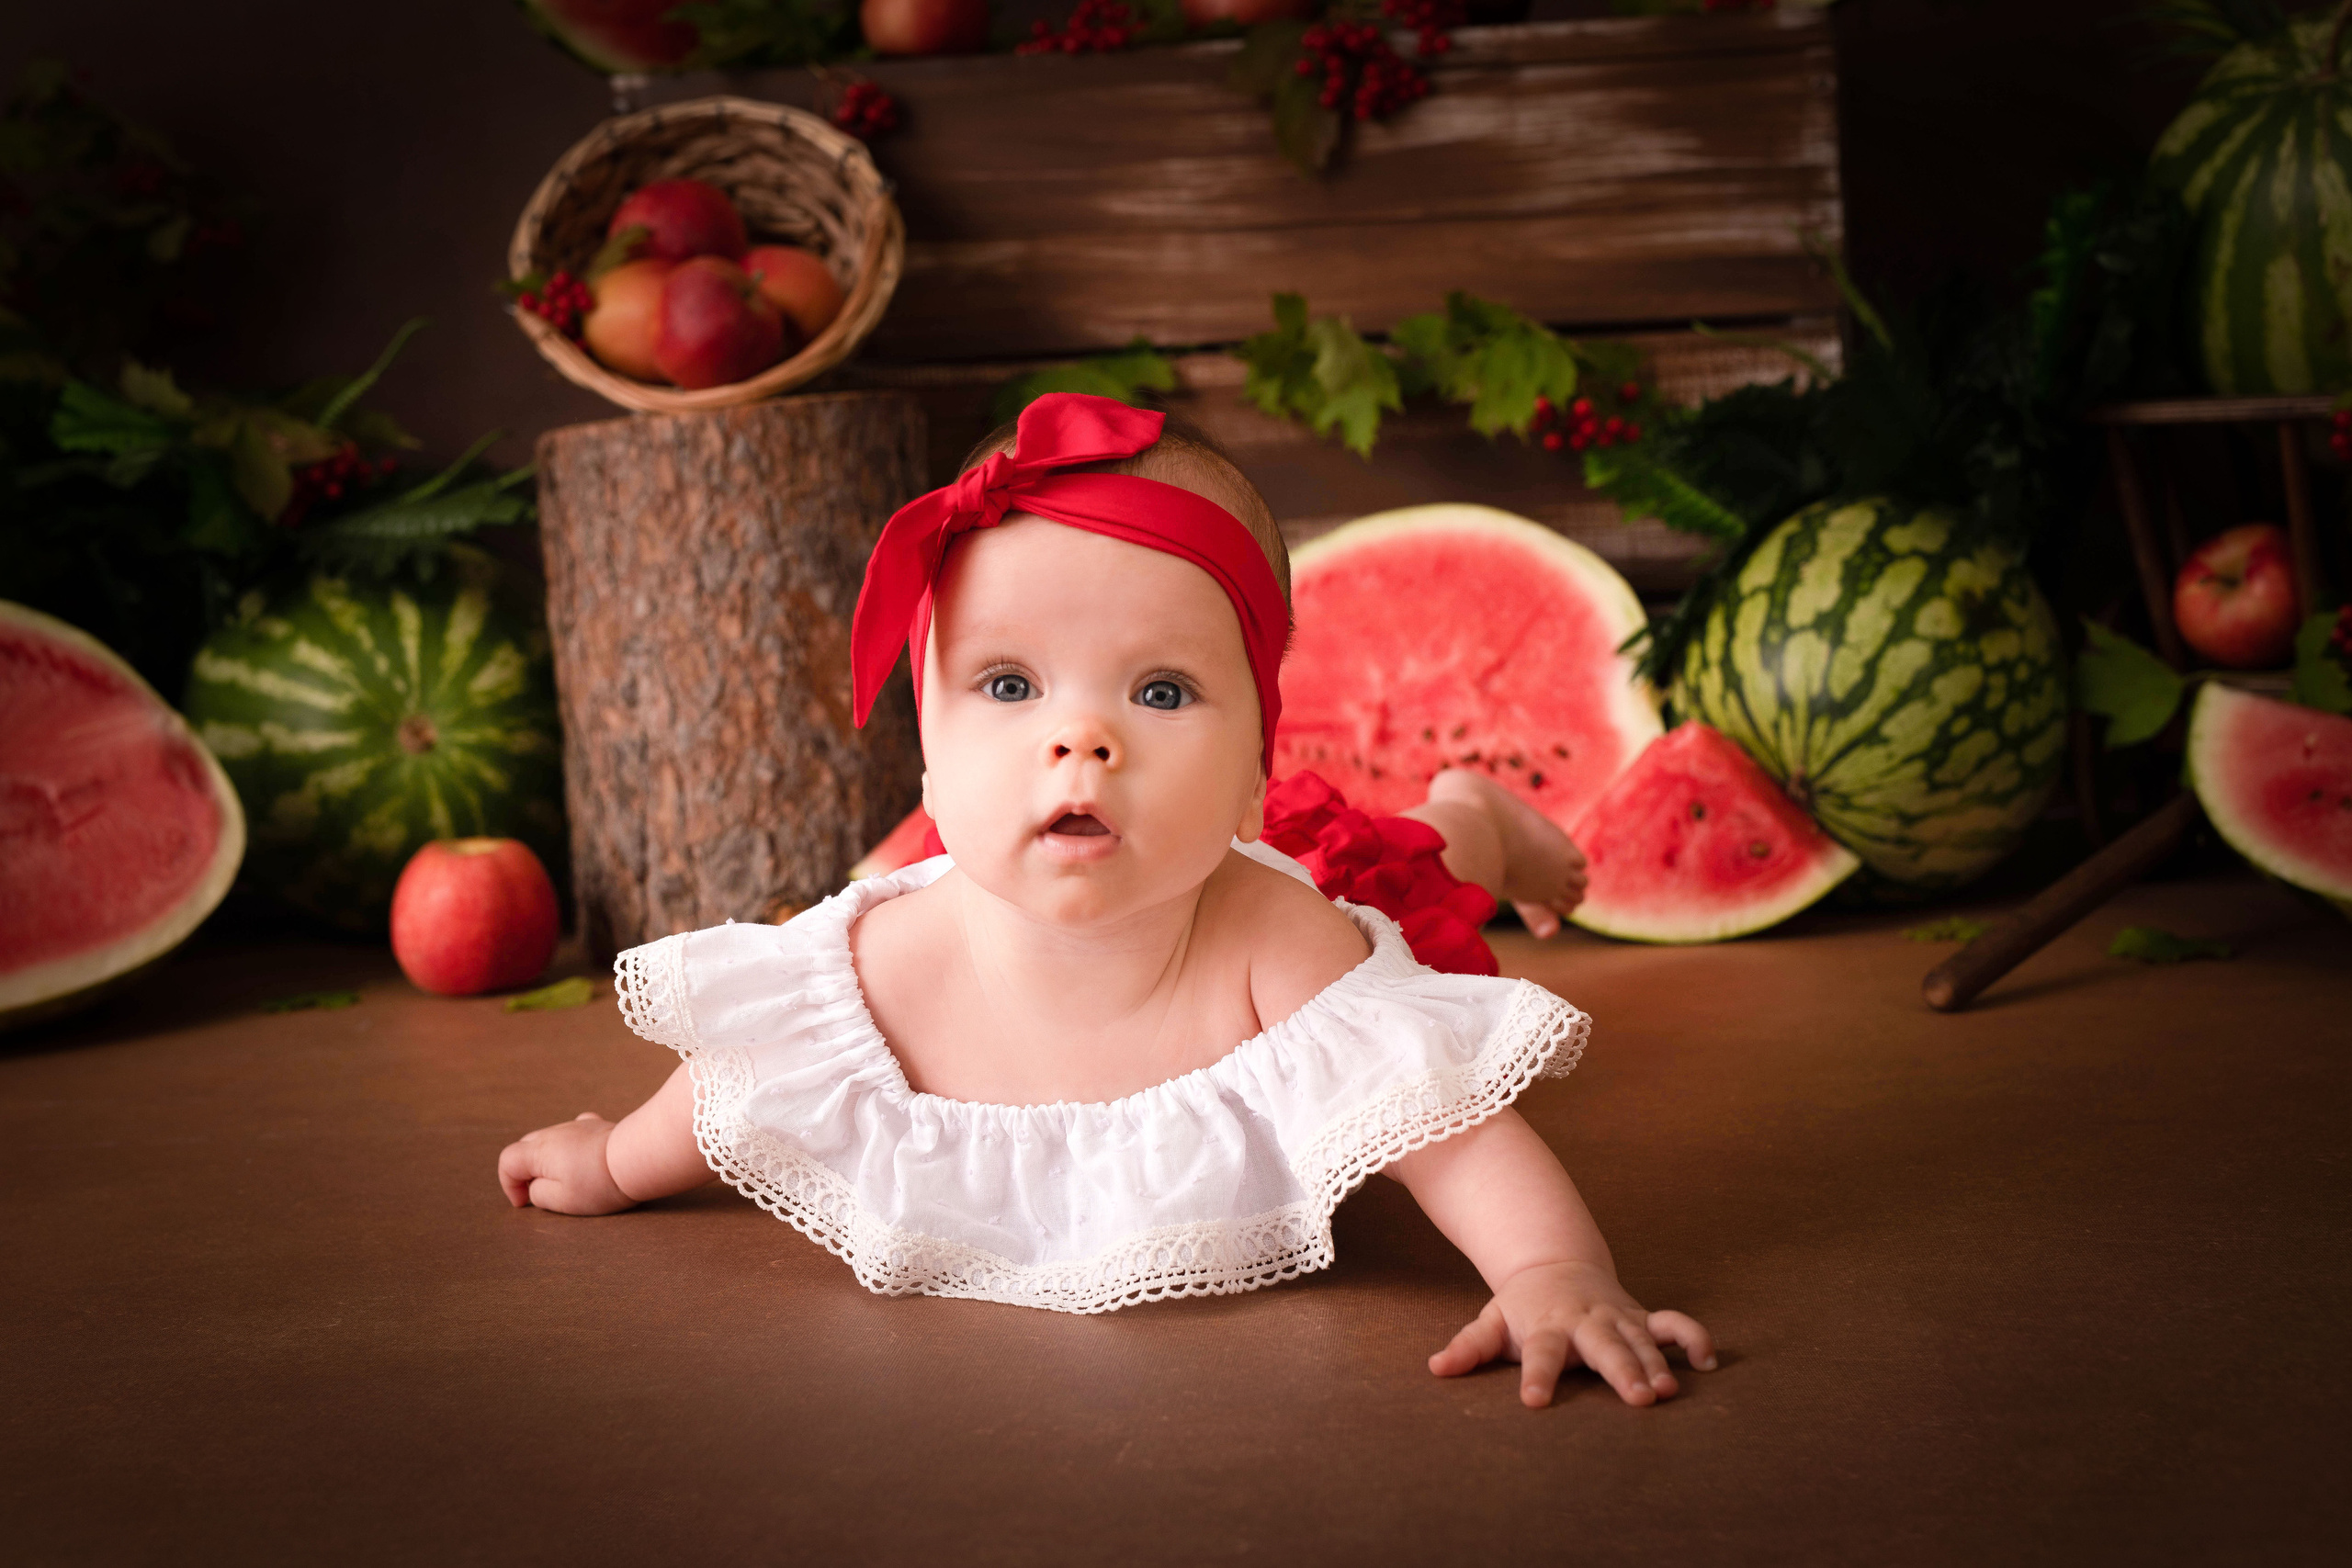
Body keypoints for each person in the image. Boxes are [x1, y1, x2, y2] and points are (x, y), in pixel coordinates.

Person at [498, 394, 1714, 1409]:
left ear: (1252, 764)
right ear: (927, 755)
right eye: (1011, 683)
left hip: (1309, 875)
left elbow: (1452, 1134)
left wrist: (1554, 1271)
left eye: (1165, 692)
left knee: (1411, 867)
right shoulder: (884, 959)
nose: (1082, 739)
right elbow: (736, 1080)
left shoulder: (1282, 952)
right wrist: (614, 1161)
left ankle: (1478, 815)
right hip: (1164, 845)